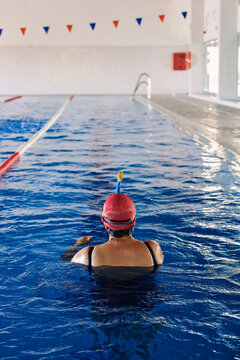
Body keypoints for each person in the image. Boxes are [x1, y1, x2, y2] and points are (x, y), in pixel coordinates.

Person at [62, 193, 164, 270]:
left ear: (103, 222)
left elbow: (65, 265)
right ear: (134, 221)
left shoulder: (87, 255)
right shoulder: (153, 250)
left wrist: (77, 245)